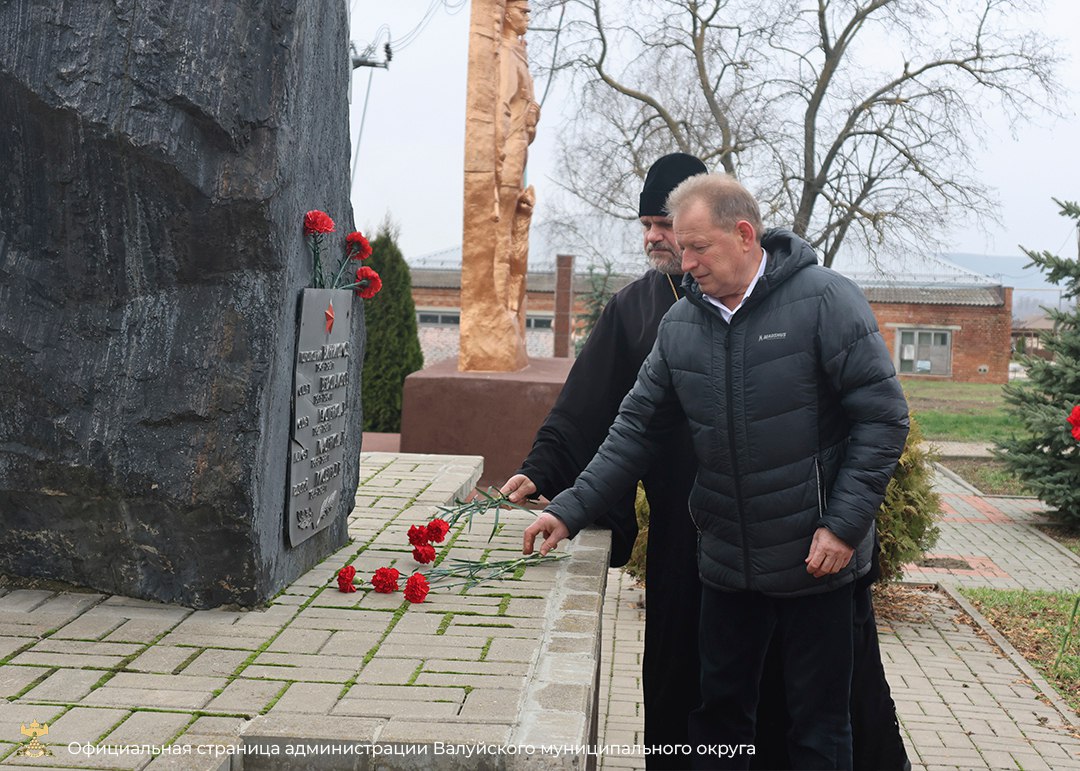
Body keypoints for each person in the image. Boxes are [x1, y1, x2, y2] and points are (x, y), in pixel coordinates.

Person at [522, 173, 910, 770]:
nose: (687, 261)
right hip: (726, 566)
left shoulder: (827, 300)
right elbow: (632, 432)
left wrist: (843, 525)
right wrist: (569, 509)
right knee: (718, 725)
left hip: (817, 563)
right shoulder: (682, 326)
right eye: (681, 247)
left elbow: (883, 420)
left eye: (699, 247)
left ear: (744, 233)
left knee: (818, 730)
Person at [502, 153, 705, 769]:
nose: (651, 238)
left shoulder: (751, 297)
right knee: (674, 679)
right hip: (679, 538)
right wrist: (544, 468)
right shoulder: (635, 308)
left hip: (760, 535)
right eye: (644, 224)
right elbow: (588, 405)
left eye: (662, 223)